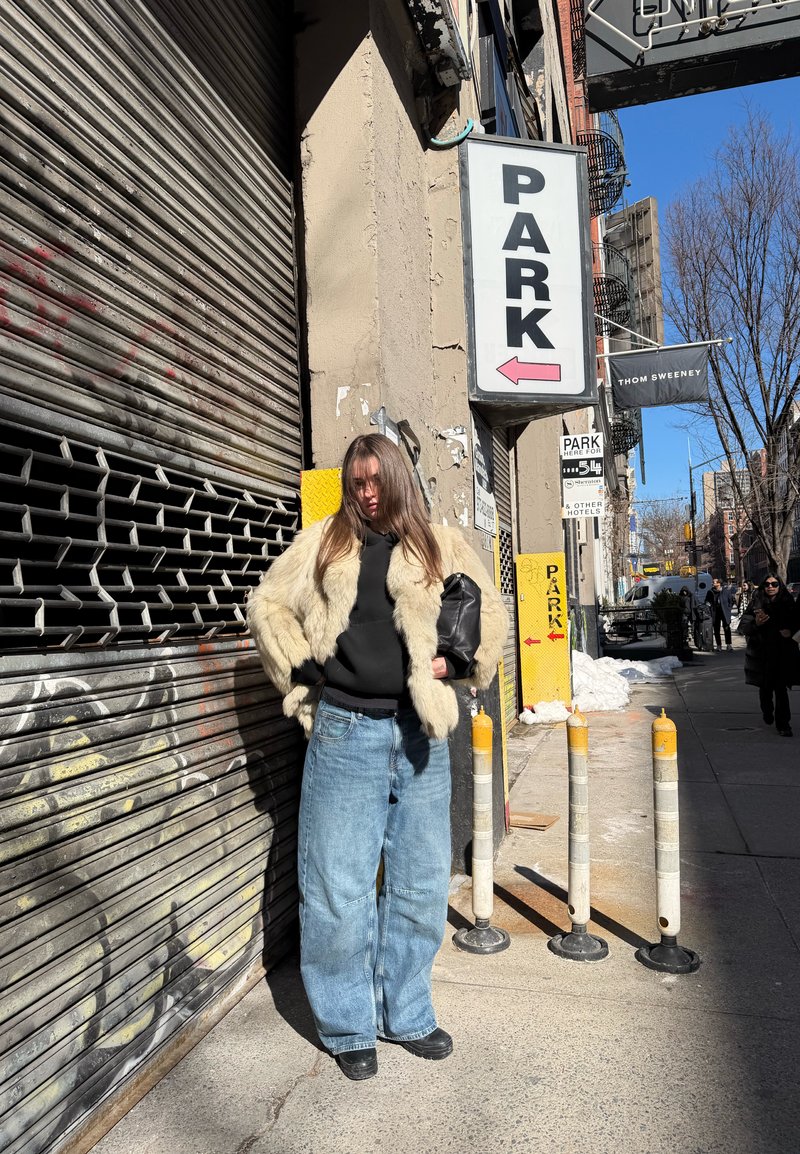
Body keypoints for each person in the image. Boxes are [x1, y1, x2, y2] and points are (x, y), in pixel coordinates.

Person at [247, 434, 508, 1080]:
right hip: (344, 735)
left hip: (420, 734)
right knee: (338, 885)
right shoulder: (324, 542)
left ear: (397, 478)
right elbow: (267, 605)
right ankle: (346, 1023)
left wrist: (462, 661)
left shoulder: (437, 544)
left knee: (421, 882)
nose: (366, 491)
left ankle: (407, 1011)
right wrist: (302, 676)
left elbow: (492, 612)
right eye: (356, 481)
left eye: (376, 479)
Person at [738, 574, 800, 737]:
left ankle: (784, 724)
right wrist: (756, 623)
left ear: (780, 586)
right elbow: (744, 627)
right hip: (762, 654)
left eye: (774, 584)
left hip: (782, 652)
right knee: (765, 689)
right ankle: (767, 711)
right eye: (767, 584)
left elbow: (796, 622)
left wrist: (790, 631)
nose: (770, 587)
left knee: (781, 690)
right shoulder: (756, 603)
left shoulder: (787, 602)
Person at [705, 576, 734, 651]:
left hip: (724, 612)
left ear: (719, 583)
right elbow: (707, 601)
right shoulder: (710, 592)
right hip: (715, 613)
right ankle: (719, 645)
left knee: (727, 628)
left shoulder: (725, 591)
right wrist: (709, 606)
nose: (712, 583)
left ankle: (728, 645)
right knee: (716, 629)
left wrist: (728, 609)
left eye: (714, 582)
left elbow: (731, 600)